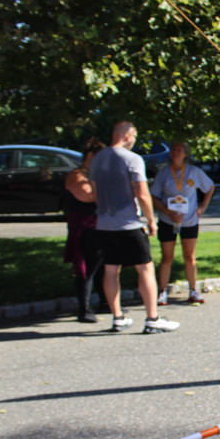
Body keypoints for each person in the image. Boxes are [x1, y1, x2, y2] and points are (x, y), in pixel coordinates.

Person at [89, 121, 179, 334]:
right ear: (128, 136)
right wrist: (151, 220)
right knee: (145, 268)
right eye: (134, 138)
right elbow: (142, 192)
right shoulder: (132, 159)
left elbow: (94, 192)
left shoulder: (97, 159)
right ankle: (152, 318)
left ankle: (118, 318)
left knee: (111, 269)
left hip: (104, 224)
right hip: (128, 223)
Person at [150, 142, 215, 305]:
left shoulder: (194, 172)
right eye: (173, 149)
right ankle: (162, 291)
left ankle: (193, 290)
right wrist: (168, 212)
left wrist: (202, 207)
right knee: (167, 257)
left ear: (186, 154)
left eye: (179, 150)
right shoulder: (164, 173)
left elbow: (210, 187)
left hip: (189, 220)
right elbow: (154, 196)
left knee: (189, 256)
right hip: (167, 220)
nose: (175, 152)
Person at [63, 138, 104, 323]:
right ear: (90, 156)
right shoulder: (76, 175)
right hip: (83, 227)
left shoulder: (95, 175)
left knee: (103, 266)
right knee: (86, 268)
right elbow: (88, 196)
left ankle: (105, 301)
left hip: (100, 225)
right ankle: (84, 309)